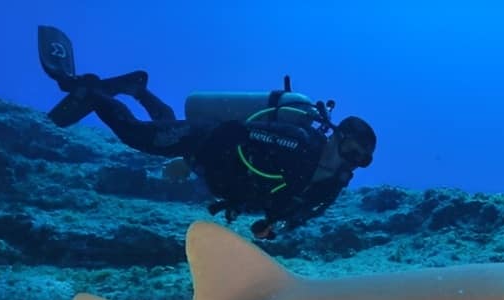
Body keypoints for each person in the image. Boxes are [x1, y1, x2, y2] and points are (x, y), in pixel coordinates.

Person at [37, 25, 376, 240]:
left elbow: (293, 209)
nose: (353, 162)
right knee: (139, 135)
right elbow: (234, 133)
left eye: (363, 160)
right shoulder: (298, 143)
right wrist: (190, 159)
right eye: (352, 151)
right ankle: (81, 85)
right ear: (336, 136)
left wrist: (269, 224)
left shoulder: (328, 186)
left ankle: (138, 89)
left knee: (159, 128)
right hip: (206, 141)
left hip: (216, 171)